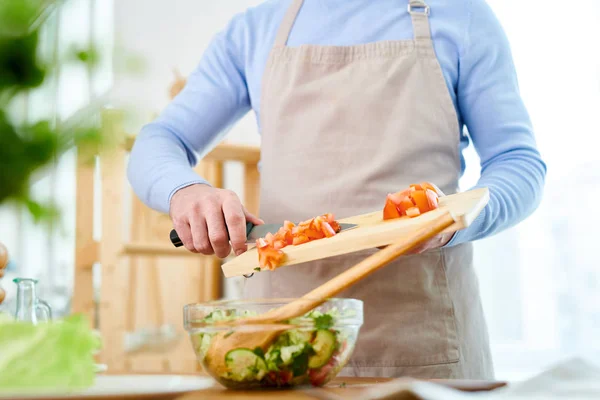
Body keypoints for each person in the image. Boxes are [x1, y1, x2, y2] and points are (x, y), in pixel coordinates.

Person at [127, 0, 546, 379]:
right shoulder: (255, 30)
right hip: (283, 344)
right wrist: (184, 190)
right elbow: (160, 140)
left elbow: (518, 162)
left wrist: (455, 220)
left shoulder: (460, 15)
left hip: (424, 346)